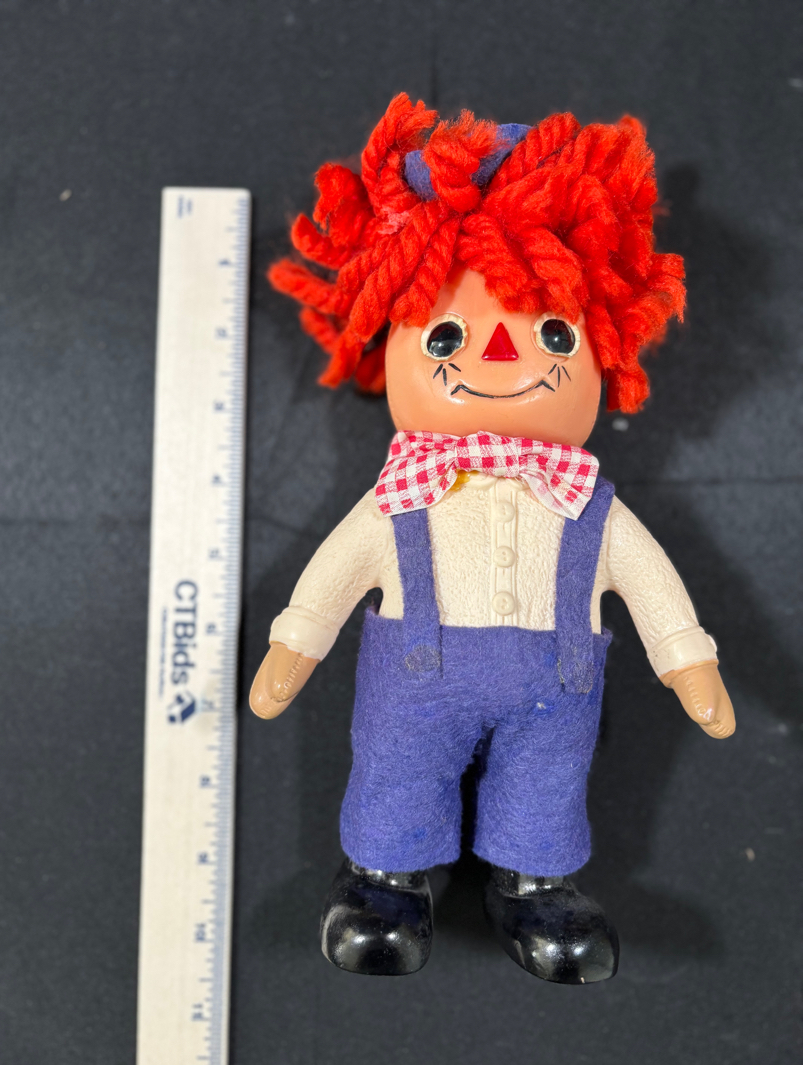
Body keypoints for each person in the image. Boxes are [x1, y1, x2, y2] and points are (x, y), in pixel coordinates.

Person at [249, 95, 735, 983]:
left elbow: (651, 582)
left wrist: (686, 659)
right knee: (397, 768)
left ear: (603, 351)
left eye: (550, 333)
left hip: (557, 688)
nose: (502, 358)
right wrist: (295, 645)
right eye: (449, 335)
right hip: (415, 677)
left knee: (546, 784)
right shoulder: (401, 493)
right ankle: (383, 880)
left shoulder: (589, 503)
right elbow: (336, 572)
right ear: (396, 349)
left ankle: (534, 884)